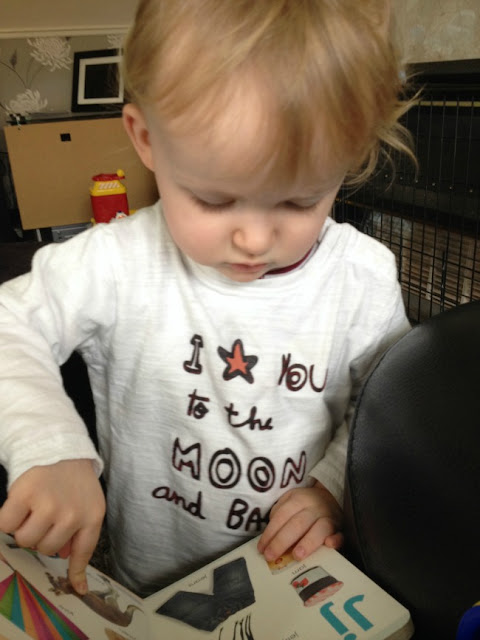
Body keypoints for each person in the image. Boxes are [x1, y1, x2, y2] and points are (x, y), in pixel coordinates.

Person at [0, 0, 414, 598]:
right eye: (215, 200)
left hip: (289, 577)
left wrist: (328, 485)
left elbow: (385, 409)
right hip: (146, 578)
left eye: (300, 201)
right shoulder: (117, 260)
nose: (253, 238)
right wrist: (51, 446)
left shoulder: (363, 279)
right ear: (146, 140)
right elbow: (11, 323)